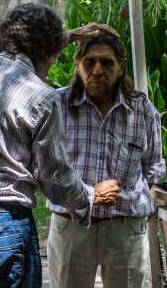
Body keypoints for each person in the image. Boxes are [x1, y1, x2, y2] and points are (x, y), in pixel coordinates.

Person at [0, 3, 121, 288]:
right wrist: (92, 195)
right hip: (4, 224)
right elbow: (55, 179)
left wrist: (66, 35)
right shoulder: (42, 97)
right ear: (48, 52)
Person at [47, 31, 166, 288]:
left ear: (121, 66)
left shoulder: (143, 111)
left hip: (125, 229)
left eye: (107, 62)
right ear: (78, 64)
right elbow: (44, 166)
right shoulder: (56, 105)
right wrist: (88, 194)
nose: (98, 70)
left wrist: (134, 193)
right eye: (90, 62)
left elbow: (154, 164)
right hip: (72, 224)